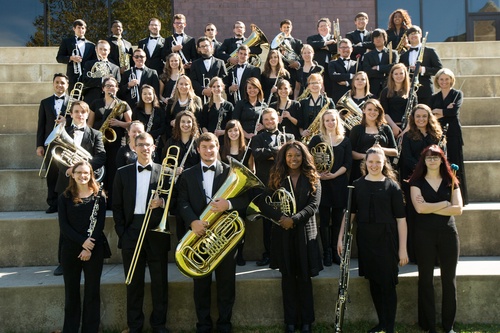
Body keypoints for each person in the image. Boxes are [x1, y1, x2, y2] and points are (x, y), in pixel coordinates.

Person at [177, 132, 250, 333]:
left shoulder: (230, 172)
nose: (209, 151)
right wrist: (193, 221)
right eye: (205, 147)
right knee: (201, 285)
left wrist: (229, 204)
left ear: (218, 147)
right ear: (198, 149)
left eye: (212, 147)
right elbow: (181, 202)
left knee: (227, 284)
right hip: (199, 237)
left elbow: (247, 201)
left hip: (224, 239)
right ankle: (203, 324)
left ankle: (225, 323)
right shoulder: (188, 174)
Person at [338, 147, 408, 333]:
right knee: (375, 282)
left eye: (378, 162)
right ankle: (382, 323)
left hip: (387, 240)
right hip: (366, 240)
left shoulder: (392, 186)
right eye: (371, 162)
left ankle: (390, 327)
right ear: (365, 163)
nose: (374, 165)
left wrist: (403, 249)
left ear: (384, 163)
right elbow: (349, 215)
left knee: (387, 284)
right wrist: (340, 238)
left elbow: (401, 220)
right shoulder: (357, 185)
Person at [254, 141, 322, 333]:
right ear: (284, 158)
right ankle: (290, 322)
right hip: (283, 233)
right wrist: (280, 218)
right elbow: (263, 203)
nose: (294, 159)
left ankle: (307, 321)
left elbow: (313, 206)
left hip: (305, 233)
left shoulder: (312, 178)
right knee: (288, 278)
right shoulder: (276, 177)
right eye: (290, 156)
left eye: (298, 155)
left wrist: (294, 219)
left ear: (304, 157)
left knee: (305, 279)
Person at [113, 132, 171, 333]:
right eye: (141, 145)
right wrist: (123, 232)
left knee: (159, 282)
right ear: (134, 147)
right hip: (132, 229)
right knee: (133, 282)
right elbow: (117, 206)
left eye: (148, 145)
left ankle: (159, 325)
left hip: (156, 230)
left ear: (154, 147)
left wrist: (162, 202)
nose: (145, 148)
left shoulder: (165, 171)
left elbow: (176, 201)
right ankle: (135, 325)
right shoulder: (122, 173)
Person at [409, 145, 463, 333]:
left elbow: (459, 209)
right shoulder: (416, 182)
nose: (432, 160)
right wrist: (444, 204)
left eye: (436, 157)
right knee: (425, 279)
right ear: (423, 161)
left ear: (442, 160)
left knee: (449, 280)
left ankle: (449, 326)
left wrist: (431, 206)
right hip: (424, 235)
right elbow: (419, 209)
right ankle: (428, 325)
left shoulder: (451, 180)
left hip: (448, 234)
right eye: (429, 158)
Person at [54, 100, 106, 276]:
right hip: (67, 182)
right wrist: (69, 170)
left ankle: (88, 251)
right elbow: (57, 155)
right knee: (66, 223)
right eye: (76, 112)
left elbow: (101, 156)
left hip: (87, 183)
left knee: (85, 220)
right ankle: (63, 261)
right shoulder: (64, 132)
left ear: (87, 114)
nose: (80, 115)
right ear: (71, 114)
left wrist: (83, 167)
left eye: (83, 112)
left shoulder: (95, 134)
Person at [58, 160, 107, 333]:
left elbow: (99, 224)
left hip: (94, 248)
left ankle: (90, 329)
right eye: (78, 172)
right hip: (71, 249)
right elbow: (64, 226)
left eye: (86, 173)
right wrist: (82, 243)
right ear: (73, 174)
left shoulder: (99, 196)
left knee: (92, 292)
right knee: (71, 294)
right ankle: (70, 330)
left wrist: (88, 247)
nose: (82, 176)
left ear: (91, 174)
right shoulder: (64, 197)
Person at [251, 108, 295, 267]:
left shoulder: (288, 136)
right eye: (266, 119)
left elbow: (292, 157)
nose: (269, 122)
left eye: (272, 119)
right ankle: (268, 254)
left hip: (285, 185)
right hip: (266, 185)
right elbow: (257, 154)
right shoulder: (257, 138)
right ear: (262, 122)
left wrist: (270, 155)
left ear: (278, 119)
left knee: (285, 219)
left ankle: (285, 253)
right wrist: (277, 151)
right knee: (267, 223)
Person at [308, 109, 352, 266]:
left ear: (337, 121)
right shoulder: (317, 139)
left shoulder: (345, 140)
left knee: (338, 218)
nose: (330, 123)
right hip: (322, 183)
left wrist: (334, 175)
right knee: (325, 219)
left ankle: (335, 250)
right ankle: (326, 251)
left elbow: (347, 163)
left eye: (333, 120)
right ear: (323, 123)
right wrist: (318, 174)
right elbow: (309, 161)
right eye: (327, 120)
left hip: (339, 182)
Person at [401, 104, 443, 263]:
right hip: (416, 180)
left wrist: (433, 170)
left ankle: (436, 256)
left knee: (434, 217)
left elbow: (441, 155)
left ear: (429, 117)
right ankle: (418, 256)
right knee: (416, 218)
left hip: (435, 179)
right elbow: (407, 158)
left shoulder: (437, 134)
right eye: (418, 116)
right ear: (413, 118)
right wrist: (424, 170)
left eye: (424, 116)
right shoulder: (408, 136)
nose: (421, 119)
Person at [88, 77, 132, 205]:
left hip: (115, 142)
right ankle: (98, 200)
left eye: (113, 86)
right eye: (107, 86)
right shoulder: (96, 103)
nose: (110, 88)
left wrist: (119, 123)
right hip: (98, 141)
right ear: (103, 89)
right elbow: (89, 124)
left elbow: (130, 124)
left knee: (113, 169)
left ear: (117, 88)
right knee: (99, 170)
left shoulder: (123, 104)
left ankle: (112, 200)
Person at [430, 68, 468, 205]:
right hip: (438, 133)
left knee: (455, 163)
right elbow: (431, 114)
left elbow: (454, 112)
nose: (444, 82)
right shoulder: (434, 97)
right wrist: (446, 110)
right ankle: (444, 196)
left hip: (453, 133)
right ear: (437, 81)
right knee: (442, 164)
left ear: (451, 80)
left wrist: (439, 111)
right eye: (441, 79)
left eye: (447, 79)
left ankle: (459, 197)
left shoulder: (457, 94)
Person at [219, 119, 255, 266]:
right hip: (225, 192)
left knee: (240, 224)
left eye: (236, 130)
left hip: (241, 193)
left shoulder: (248, 150)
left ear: (240, 132)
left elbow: (252, 171)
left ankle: (239, 254)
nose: (233, 133)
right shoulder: (221, 149)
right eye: (230, 131)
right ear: (226, 133)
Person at [36, 73, 70, 214]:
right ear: (53, 84)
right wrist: (39, 145)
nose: (59, 85)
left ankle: (66, 203)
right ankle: (53, 203)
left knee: (66, 174)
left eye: (62, 83)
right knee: (51, 174)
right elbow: (41, 125)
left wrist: (66, 121)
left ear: (67, 85)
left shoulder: (73, 101)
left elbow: (79, 121)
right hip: (50, 144)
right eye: (57, 82)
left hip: (67, 145)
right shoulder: (45, 102)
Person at [164, 110, 200, 240]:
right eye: (183, 122)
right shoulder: (170, 142)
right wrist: (173, 171)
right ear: (178, 124)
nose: (186, 124)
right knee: (180, 220)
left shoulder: (198, 142)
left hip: (195, 187)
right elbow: (163, 167)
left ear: (193, 124)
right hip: (178, 188)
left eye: (189, 122)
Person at [349, 99, 397, 183]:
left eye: (375, 110)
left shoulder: (386, 128)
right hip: (360, 170)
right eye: (369, 109)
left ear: (379, 112)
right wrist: (367, 157)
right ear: (363, 111)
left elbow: (395, 152)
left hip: (382, 169)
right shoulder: (356, 129)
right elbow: (350, 152)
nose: (373, 112)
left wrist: (381, 150)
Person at [399, 25, 443, 106]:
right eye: (411, 34)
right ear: (407, 38)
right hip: (409, 90)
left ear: (421, 35)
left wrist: (422, 69)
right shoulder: (403, 56)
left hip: (425, 90)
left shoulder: (430, 51)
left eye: (416, 33)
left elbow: (439, 69)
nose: (413, 35)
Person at [56, 19, 97, 90]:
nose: (81, 30)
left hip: (87, 76)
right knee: (74, 99)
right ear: (74, 29)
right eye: (78, 28)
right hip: (73, 76)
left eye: (83, 28)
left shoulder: (92, 45)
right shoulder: (66, 42)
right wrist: (71, 58)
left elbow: (95, 61)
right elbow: (59, 58)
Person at [132, 84, 167, 162]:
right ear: (141, 95)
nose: (147, 96)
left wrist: (149, 135)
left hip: (157, 145)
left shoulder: (159, 110)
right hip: (140, 144)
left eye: (150, 94)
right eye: (144, 94)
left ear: (154, 95)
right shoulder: (136, 110)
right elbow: (134, 125)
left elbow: (163, 127)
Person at [362, 29, 399, 98]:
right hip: (373, 87)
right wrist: (385, 70)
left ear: (385, 39)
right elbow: (367, 71)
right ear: (372, 40)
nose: (378, 39)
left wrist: (378, 68)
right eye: (375, 37)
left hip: (389, 86)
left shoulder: (393, 53)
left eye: (380, 37)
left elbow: (394, 68)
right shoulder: (368, 55)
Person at [82, 40, 121, 105]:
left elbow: (118, 84)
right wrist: (102, 79)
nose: (103, 51)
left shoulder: (115, 68)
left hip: (109, 100)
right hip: (92, 98)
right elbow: (85, 81)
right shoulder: (89, 64)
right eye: (100, 49)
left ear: (109, 51)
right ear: (96, 50)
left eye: (105, 50)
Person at [189, 37, 227, 103]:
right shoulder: (195, 64)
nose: (205, 48)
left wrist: (214, 89)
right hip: (200, 98)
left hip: (217, 97)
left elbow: (225, 79)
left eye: (206, 45)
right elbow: (193, 80)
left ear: (211, 46)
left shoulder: (220, 62)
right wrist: (203, 90)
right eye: (202, 46)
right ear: (199, 49)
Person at [306, 17, 338, 97]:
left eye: (325, 26)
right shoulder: (312, 38)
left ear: (329, 28)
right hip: (318, 67)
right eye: (321, 26)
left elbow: (337, 48)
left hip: (332, 68)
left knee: (331, 89)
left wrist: (325, 47)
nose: (323, 28)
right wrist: (327, 43)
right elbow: (311, 45)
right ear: (318, 29)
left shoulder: (335, 38)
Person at [379, 63, 411, 138]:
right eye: (396, 74)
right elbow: (384, 112)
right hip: (390, 128)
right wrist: (394, 126)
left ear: (405, 75)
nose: (399, 76)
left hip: (408, 128)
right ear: (392, 75)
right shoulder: (385, 92)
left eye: (401, 73)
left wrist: (405, 131)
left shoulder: (411, 92)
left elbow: (413, 113)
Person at [298, 73, 333, 140]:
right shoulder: (303, 103)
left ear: (321, 85)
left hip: (326, 135)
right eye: (312, 83)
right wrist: (302, 132)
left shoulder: (328, 101)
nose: (314, 85)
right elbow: (300, 120)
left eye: (317, 83)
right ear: (308, 86)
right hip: (307, 136)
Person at [200, 77, 234, 142]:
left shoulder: (229, 105)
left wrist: (222, 132)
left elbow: (232, 125)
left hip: (225, 140)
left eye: (218, 86)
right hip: (210, 140)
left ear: (222, 87)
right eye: (213, 86)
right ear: (210, 88)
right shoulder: (206, 106)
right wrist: (209, 136)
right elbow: (203, 125)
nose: (216, 89)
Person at [275, 19, 303, 89]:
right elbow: (271, 56)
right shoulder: (275, 42)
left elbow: (303, 57)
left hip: (294, 72)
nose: (286, 29)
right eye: (284, 27)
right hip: (280, 72)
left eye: (288, 27)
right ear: (280, 29)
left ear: (291, 28)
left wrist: (298, 63)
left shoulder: (298, 42)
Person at [328, 38, 357, 103]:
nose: (345, 50)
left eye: (347, 47)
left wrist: (347, 83)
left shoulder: (357, 64)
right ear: (339, 50)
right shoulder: (333, 63)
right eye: (343, 47)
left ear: (352, 49)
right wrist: (351, 76)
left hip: (353, 97)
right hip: (337, 97)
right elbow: (333, 76)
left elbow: (359, 79)